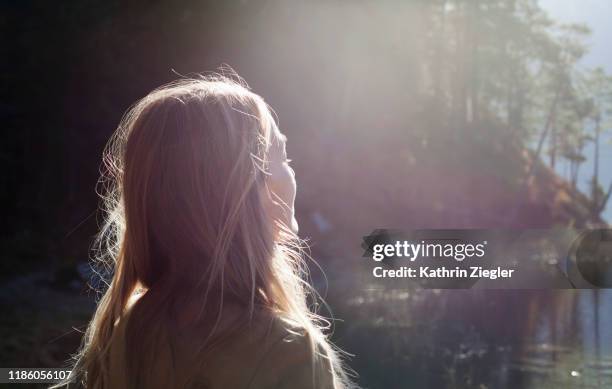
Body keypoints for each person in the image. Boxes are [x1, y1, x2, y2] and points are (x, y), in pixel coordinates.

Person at [57, 74, 353, 388]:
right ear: (252, 188)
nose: (293, 172)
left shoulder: (126, 333)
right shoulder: (289, 350)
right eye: (283, 156)